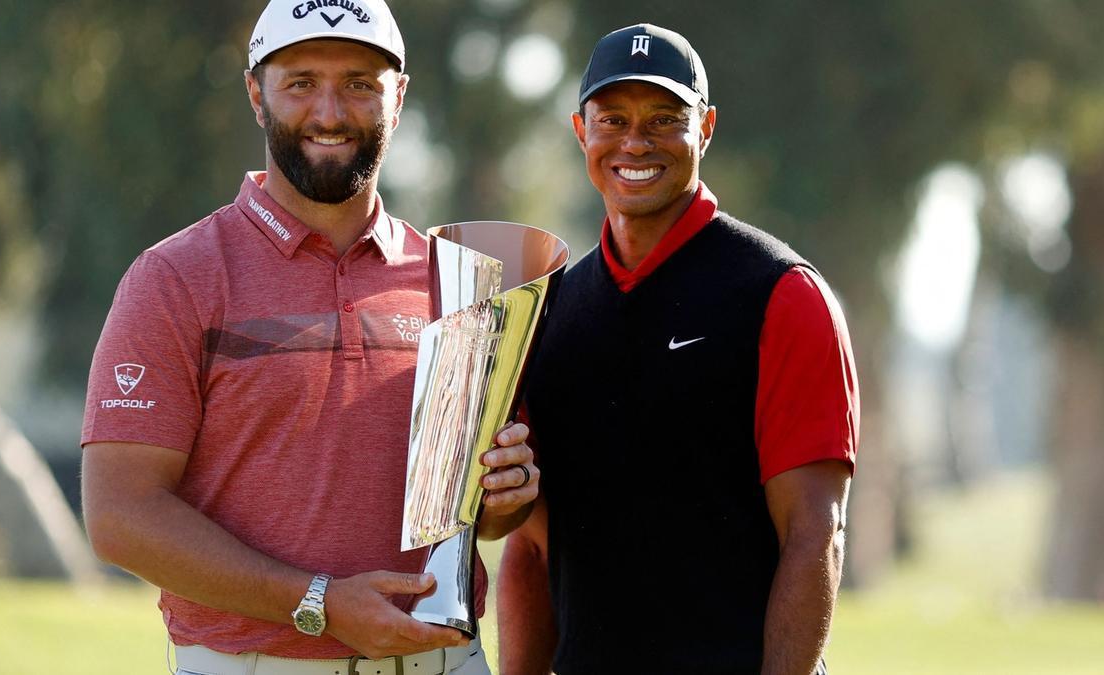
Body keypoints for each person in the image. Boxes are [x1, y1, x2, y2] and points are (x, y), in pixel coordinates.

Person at [79, 2, 538, 673]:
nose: (329, 112)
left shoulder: (458, 280)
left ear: (399, 96)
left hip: (446, 659)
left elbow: (478, 517)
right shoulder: (175, 277)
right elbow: (120, 514)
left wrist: (507, 492)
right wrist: (317, 602)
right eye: (300, 83)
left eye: (359, 83)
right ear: (255, 93)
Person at [496, 23, 859, 675]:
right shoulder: (548, 310)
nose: (636, 141)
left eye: (665, 118)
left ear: (707, 127)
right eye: (613, 118)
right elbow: (529, 546)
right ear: (581, 130)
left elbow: (815, 534)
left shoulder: (781, 294)